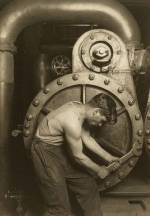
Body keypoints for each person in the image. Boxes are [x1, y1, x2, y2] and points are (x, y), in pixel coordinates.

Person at [31, 93, 119, 216]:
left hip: (59, 149)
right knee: (60, 207)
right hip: (44, 150)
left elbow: (87, 138)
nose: (100, 125)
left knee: (87, 185)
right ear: (96, 112)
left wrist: (109, 158)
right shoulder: (71, 121)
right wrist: (98, 169)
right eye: (102, 121)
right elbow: (78, 156)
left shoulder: (79, 108)